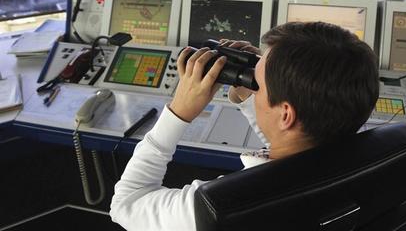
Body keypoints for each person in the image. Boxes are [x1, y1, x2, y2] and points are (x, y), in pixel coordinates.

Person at [110, 21, 379, 231]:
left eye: (256, 83)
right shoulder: (362, 163)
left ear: (286, 113)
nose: (253, 84)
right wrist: (251, 93)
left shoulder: (219, 204)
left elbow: (126, 203)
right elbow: (289, 139)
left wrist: (178, 112)